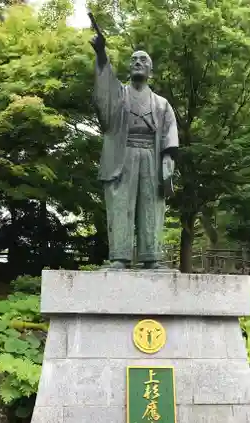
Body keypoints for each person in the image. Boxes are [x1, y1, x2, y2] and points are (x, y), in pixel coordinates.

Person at [91, 22, 179, 270]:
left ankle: (150, 257)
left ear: (151, 69)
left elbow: (170, 131)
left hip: (152, 155)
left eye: (143, 60)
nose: (138, 62)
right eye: (134, 60)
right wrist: (100, 54)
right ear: (129, 68)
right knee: (121, 204)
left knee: (152, 205)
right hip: (123, 154)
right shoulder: (119, 95)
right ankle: (119, 256)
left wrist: (168, 157)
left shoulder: (161, 104)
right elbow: (104, 90)